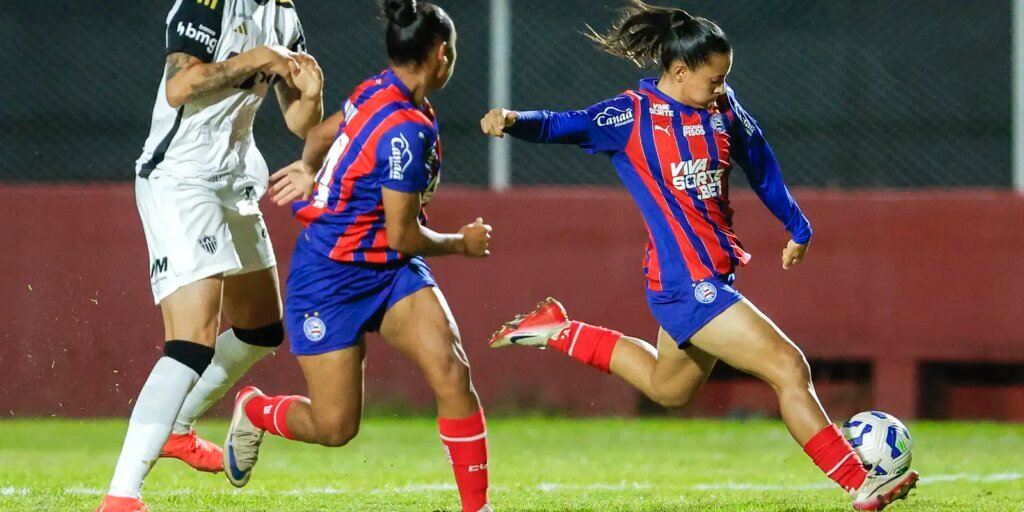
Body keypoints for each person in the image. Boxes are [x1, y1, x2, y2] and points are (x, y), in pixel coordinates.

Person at [479, 2, 917, 510]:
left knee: (668, 390)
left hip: (711, 277)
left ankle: (558, 329)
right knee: (789, 368)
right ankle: (861, 484)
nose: (721, 89)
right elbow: (564, 124)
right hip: (686, 282)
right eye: (713, 80)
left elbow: (760, 160)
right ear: (680, 71)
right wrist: (513, 120)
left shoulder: (722, 107)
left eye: (725, 79)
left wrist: (797, 224)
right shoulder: (631, 115)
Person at [221, 2, 493, 511]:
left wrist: (310, 170)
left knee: (452, 373)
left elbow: (324, 133)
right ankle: (257, 411)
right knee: (334, 427)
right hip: (331, 280)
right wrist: (462, 243)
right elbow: (403, 237)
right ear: (441, 53)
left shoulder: (380, 87)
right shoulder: (407, 130)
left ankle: (479, 508)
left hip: (389, 276)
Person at [97, 0, 324, 510]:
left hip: (236, 178)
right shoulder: (210, 3)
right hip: (181, 179)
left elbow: (300, 122)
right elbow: (180, 86)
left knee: (263, 329)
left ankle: (177, 428)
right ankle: (121, 496)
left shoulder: (285, 14)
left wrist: (311, 95)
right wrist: (258, 58)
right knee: (192, 341)